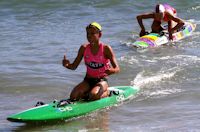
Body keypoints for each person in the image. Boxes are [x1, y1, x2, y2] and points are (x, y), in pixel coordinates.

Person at [62, 22, 120, 101]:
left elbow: (117, 68)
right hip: (88, 80)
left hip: (102, 80)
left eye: (92, 33)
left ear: (99, 35)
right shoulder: (84, 48)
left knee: (93, 96)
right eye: (87, 33)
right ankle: (89, 92)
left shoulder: (106, 48)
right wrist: (67, 65)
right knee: (73, 96)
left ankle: (107, 92)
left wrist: (111, 71)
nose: (89, 36)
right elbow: (74, 67)